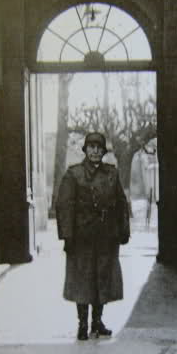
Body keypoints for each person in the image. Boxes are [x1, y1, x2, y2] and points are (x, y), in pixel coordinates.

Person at [56, 131, 130, 340]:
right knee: (83, 279)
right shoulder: (74, 174)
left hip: (106, 235)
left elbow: (121, 203)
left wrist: (123, 230)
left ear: (103, 151)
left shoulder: (111, 173)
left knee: (103, 278)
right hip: (82, 236)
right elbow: (65, 206)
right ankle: (82, 324)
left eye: (99, 148)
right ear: (85, 150)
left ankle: (97, 322)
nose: (95, 151)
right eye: (91, 147)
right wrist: (68, 236)